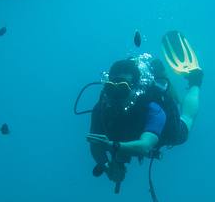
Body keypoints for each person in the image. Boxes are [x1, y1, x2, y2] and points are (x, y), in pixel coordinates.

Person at [87, 30, 203, 191]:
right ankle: (162, 74)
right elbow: (95, 144)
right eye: (111, 88)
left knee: (184, 126)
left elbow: (145, 145)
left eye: (122, 89)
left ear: (135, 89)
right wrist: (107, 167)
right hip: (121, 140)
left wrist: (113, 146)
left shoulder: (152, 107)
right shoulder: (101, 108)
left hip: (159, 132)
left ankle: (195, 81)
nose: (115, 96)